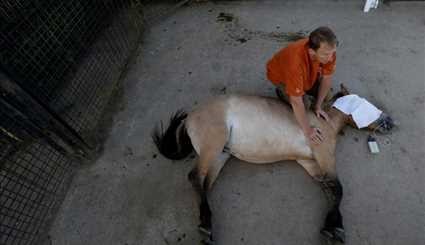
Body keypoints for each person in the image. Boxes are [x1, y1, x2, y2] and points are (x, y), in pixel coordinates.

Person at [266, 26, 337, 144]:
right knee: (304, 104)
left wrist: (318, 106)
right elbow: (296, 101)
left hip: (306, 75)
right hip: (282, 76)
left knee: (327, 96)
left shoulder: (329, 52)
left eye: (332, 53)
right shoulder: (295, 63)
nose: (330, 59)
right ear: (311, 51)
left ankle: (306, 91)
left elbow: (327, 78)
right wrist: (308, 130)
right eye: (326, 55)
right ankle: (281, 91)